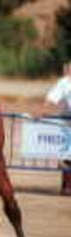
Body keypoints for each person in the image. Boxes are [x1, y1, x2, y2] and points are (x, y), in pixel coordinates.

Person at [39, 61, 71, 196]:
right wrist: (41, 112)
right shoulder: (65, 83)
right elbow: (51, 98)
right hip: (66, 124)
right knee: (67, 157)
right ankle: (67, 186)